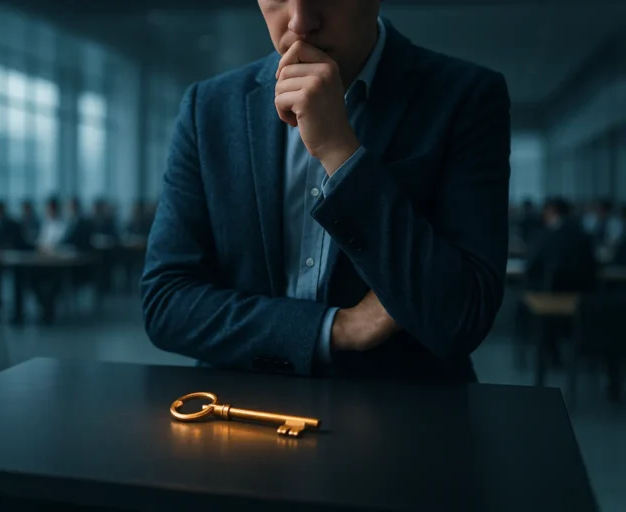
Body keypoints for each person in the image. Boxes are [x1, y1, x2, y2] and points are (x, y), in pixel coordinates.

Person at [142, 1, 511, 382]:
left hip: (404, 416)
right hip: (240, 412)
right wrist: (335, 328)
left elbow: (461, 319)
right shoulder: (209, 107)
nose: (301, 22)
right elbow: (166, 304)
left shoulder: (466, 97)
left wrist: (340, 151)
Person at [524, 198, 598, 292]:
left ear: (551, 211)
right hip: (583, 294)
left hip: (550, 292)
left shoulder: (545, 237)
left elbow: (532, 265)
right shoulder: (583, 234)